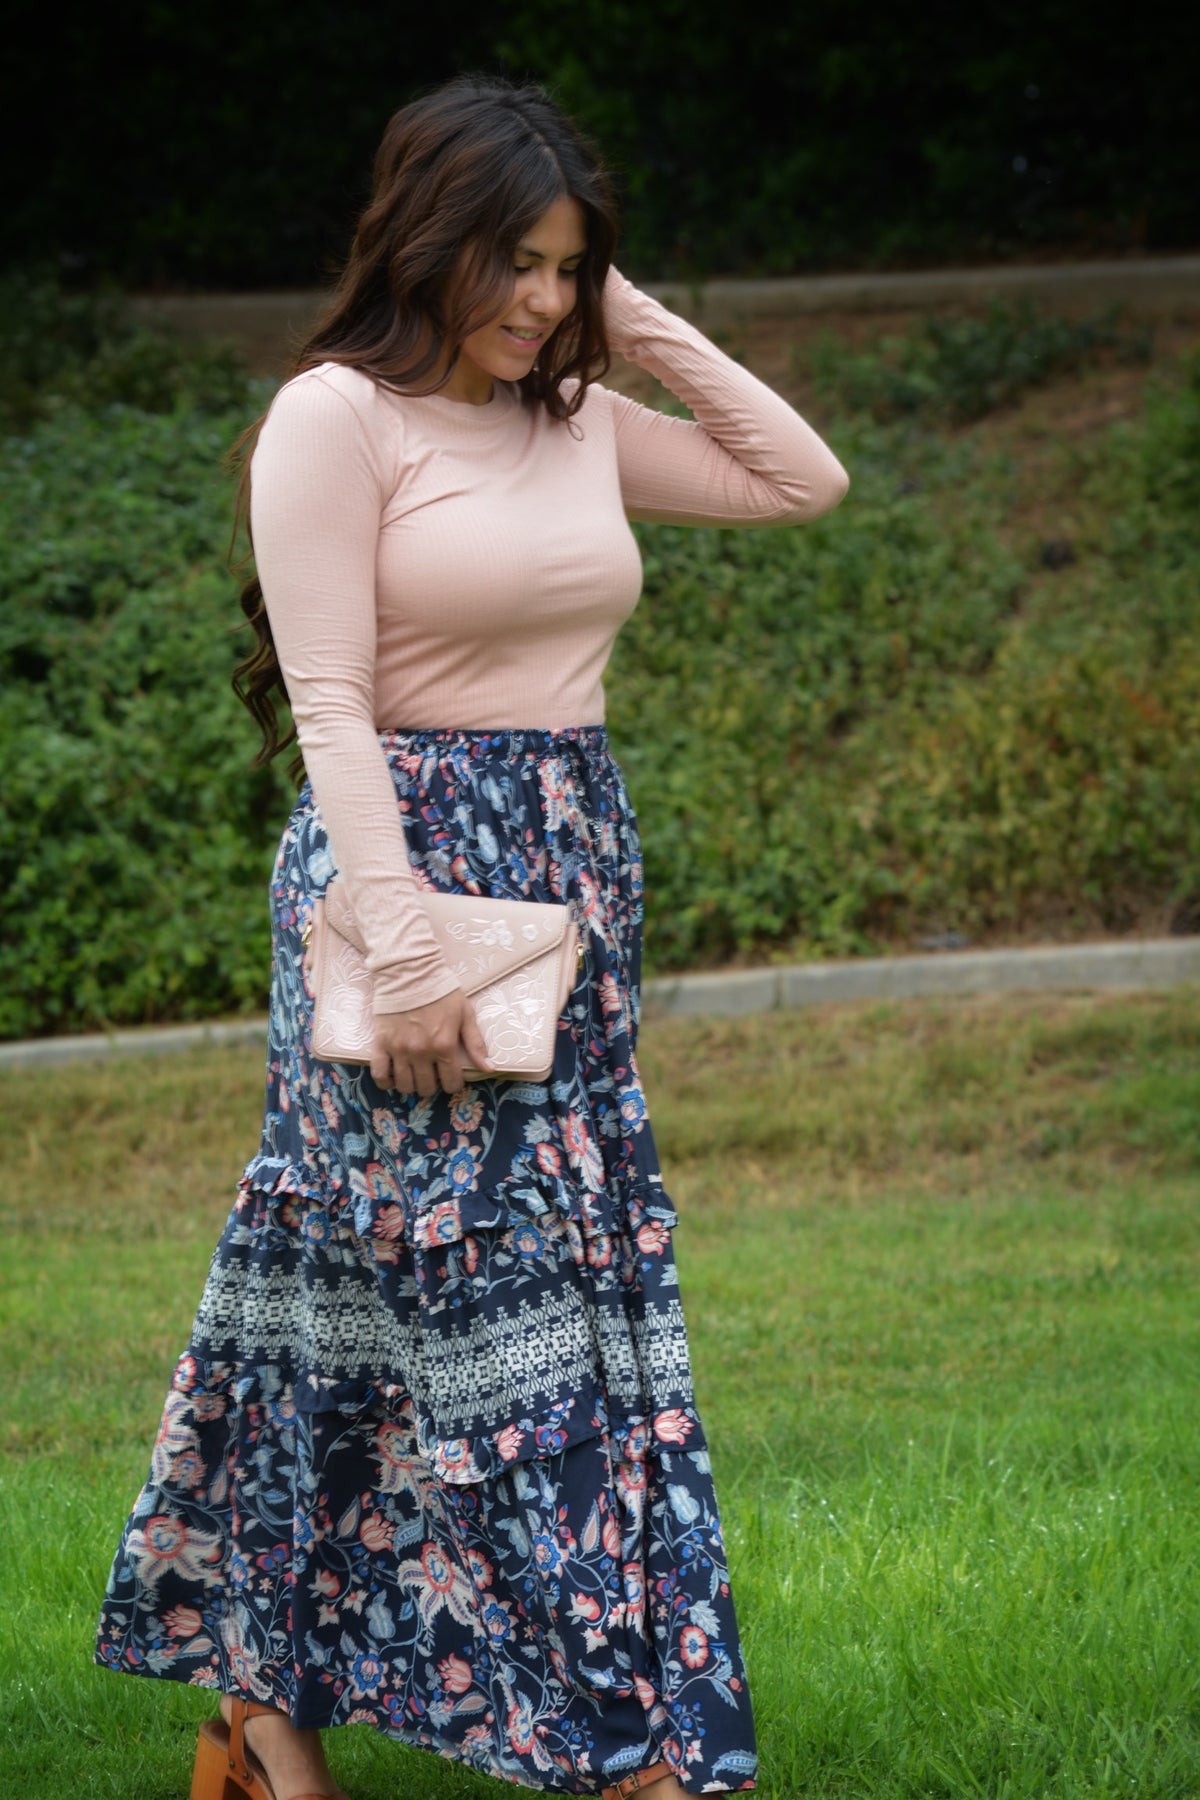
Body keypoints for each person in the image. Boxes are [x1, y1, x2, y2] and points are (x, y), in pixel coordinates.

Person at [95, 75, 848, 1800]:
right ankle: (621, 1749)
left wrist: (623, 317)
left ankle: (258, 1709)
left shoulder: (572, 417)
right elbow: (332, 703)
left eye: (569, 265)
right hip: (403, 899)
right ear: (430, 239)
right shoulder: (335, 418)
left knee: (441, 1305)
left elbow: (799, 480)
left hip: (569, 894)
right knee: (484, 1323)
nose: (540, 298)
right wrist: (409, 944)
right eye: (517, 260)